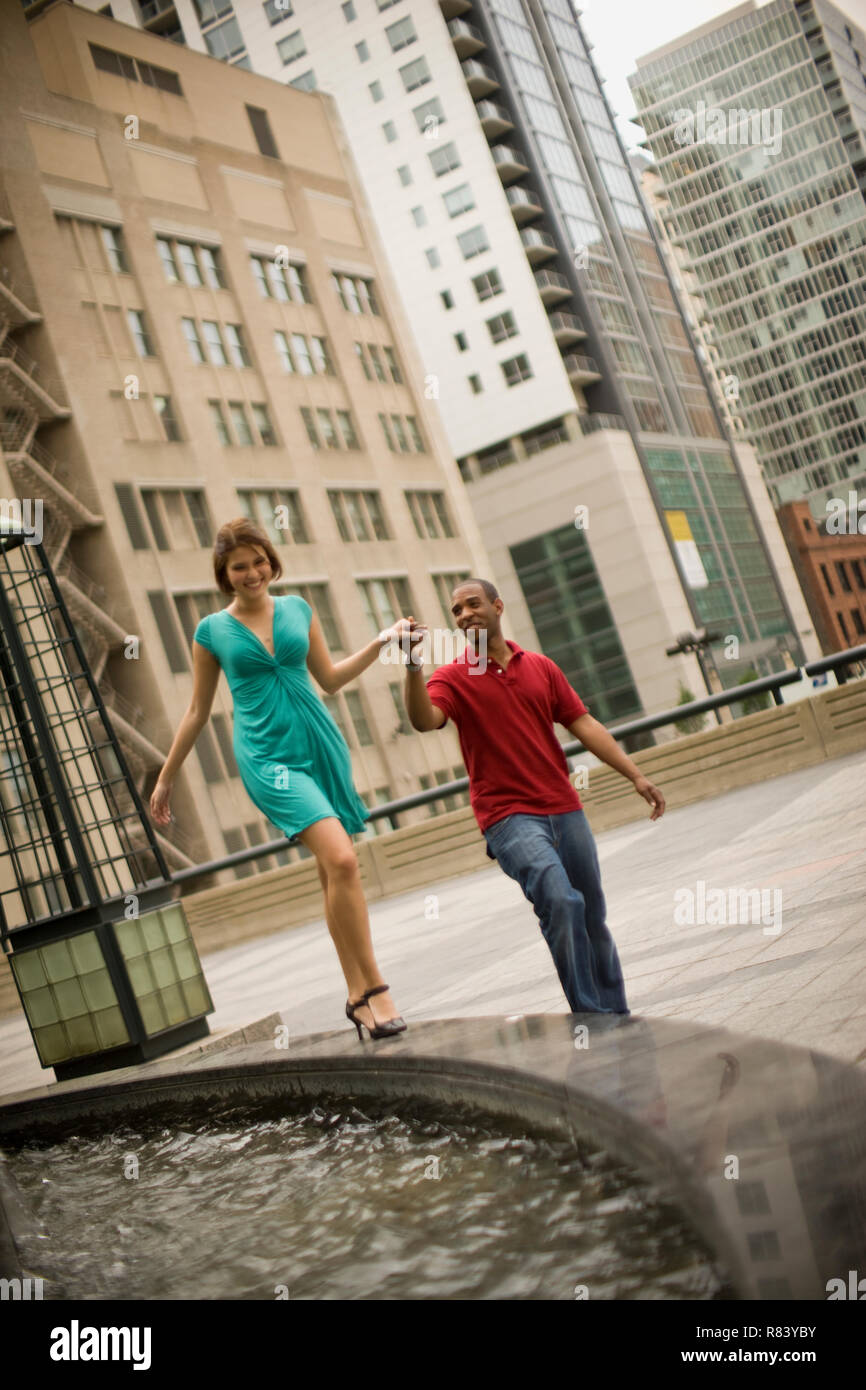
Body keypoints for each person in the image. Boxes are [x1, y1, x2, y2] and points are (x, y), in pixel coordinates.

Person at [149, 518, 410, 1041]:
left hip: (318, 743)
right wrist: (165, 778)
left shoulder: (298, 609)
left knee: (330, 872)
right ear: (224, 575)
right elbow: (198, 711)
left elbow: (331, 680)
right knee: (341, 858)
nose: (252, 573)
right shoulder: (212, 631)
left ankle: (357, 995)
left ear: (271, 561)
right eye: (239, 566)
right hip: (268, 759)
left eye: (258, 561)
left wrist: (383, 642)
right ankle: (377, 988)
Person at [402, 578, 665, 1015]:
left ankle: (618, 1014)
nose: (464, 615)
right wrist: (411, 665)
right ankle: (591, 1015)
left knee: (591, 915)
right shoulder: (452, 677)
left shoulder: (541, 667)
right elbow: (424, 719)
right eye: (456, 611)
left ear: (498, 606)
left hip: (564, 807)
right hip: (508, 817)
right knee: (560, 901)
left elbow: (583, 724)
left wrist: (635, 776)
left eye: (472, 604)